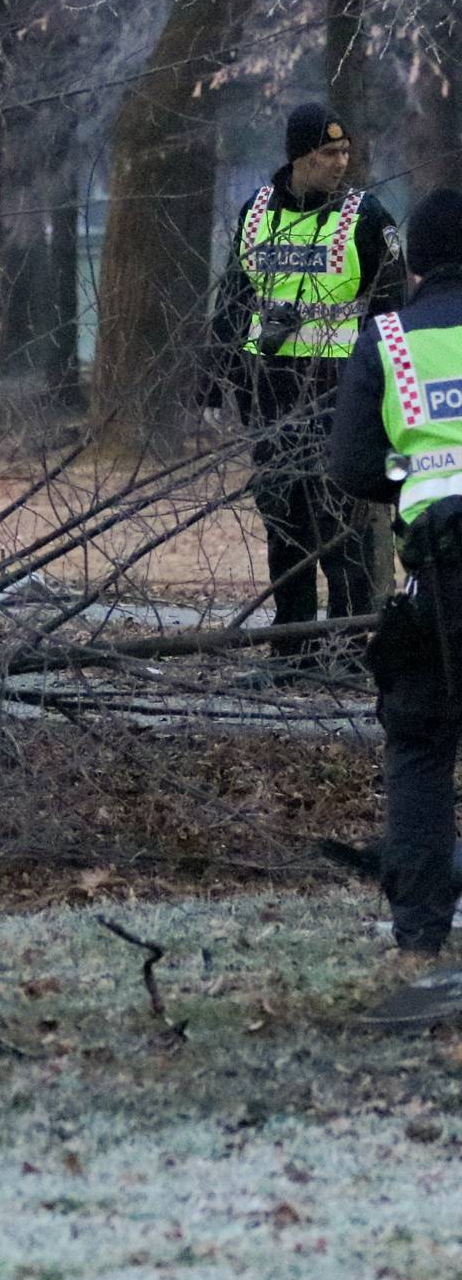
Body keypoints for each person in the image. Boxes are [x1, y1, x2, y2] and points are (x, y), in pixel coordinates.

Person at [209, 98, 403, 658]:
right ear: (299, 156)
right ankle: (291, 648)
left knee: (339, 518)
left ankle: (348, 645)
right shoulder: (256, 211)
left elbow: (390, 312)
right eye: (327, 153)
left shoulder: (367, 219)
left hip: (338, 389)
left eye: (345, 152)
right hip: (268, 388)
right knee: (282, 517)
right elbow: (234, 296)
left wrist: (383, 389)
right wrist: (216, 373)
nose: (340, 162)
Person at [330, 187, 462, 960]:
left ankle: (419, 939)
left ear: (411, 261)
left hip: (439, 579)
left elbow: (350, 467)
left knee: (419, 746)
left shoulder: (388, 340)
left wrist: (411, 479)